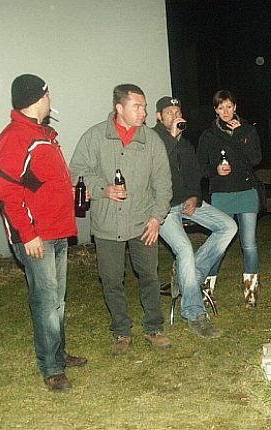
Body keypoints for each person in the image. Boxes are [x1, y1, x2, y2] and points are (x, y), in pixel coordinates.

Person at [0, 74, 87, 391]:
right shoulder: (14, 137)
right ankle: (52, 369)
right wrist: (28, 234)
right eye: (48, 94)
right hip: (37, 236)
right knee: (46, 302)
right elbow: (7, 193)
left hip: (57, 230)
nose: (51, 100)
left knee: (57, 300)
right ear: (38, 97)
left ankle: (58, 354)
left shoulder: (43, 134)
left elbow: (39, 183)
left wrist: (71, 194)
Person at [70, 84, 173, 355]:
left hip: (143, 221)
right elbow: (77, 172)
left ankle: (154, 327)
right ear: (119, 108)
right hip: (107, 222)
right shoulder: (95, 137)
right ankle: (121, 331)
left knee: (149, 276)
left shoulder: (151, 140)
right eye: (137, 107)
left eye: (145, 107)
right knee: (111, 279)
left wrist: (156, 218)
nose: (143, 112)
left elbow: (163, 183)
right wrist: (103, 188)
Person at [153, 96, 237, 338]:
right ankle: (194, 313)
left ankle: (190, 275)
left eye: (177, 111)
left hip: (185, 203)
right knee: (184, 249)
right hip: (163, 208)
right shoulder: (152, 140)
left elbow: (194, 175)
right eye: (169, 113)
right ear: (159, 117)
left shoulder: (185, 144)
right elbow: (157, 167)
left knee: (228, 226)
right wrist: (172, 136)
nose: (175, 116)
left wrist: (194, 196)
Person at [197, 90, 262, 308]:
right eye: (220, 107)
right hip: (222, 195)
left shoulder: (248, 130)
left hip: (246, 193)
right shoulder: (209, 135)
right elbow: (200, 166)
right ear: (215, 110)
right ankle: (206, 291)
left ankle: (251, 294)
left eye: (229, 106)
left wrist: (241, 134)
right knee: (219, 244)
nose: (225, 111)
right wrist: (215, 170)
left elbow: (255, 159)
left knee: (249, 244)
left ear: (235, 107)